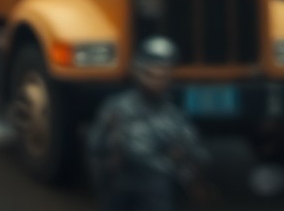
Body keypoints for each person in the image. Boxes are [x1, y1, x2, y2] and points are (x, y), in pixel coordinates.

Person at [87, 36, 208, 211]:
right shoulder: (116, 108)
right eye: (152, 73)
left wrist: (183, 166)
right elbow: (95, 148)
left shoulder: (174, 117)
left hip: (157, 190)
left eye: (163, 74)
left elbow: (197, 156)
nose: (157, 80)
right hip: (120, 186)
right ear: (139, 71)